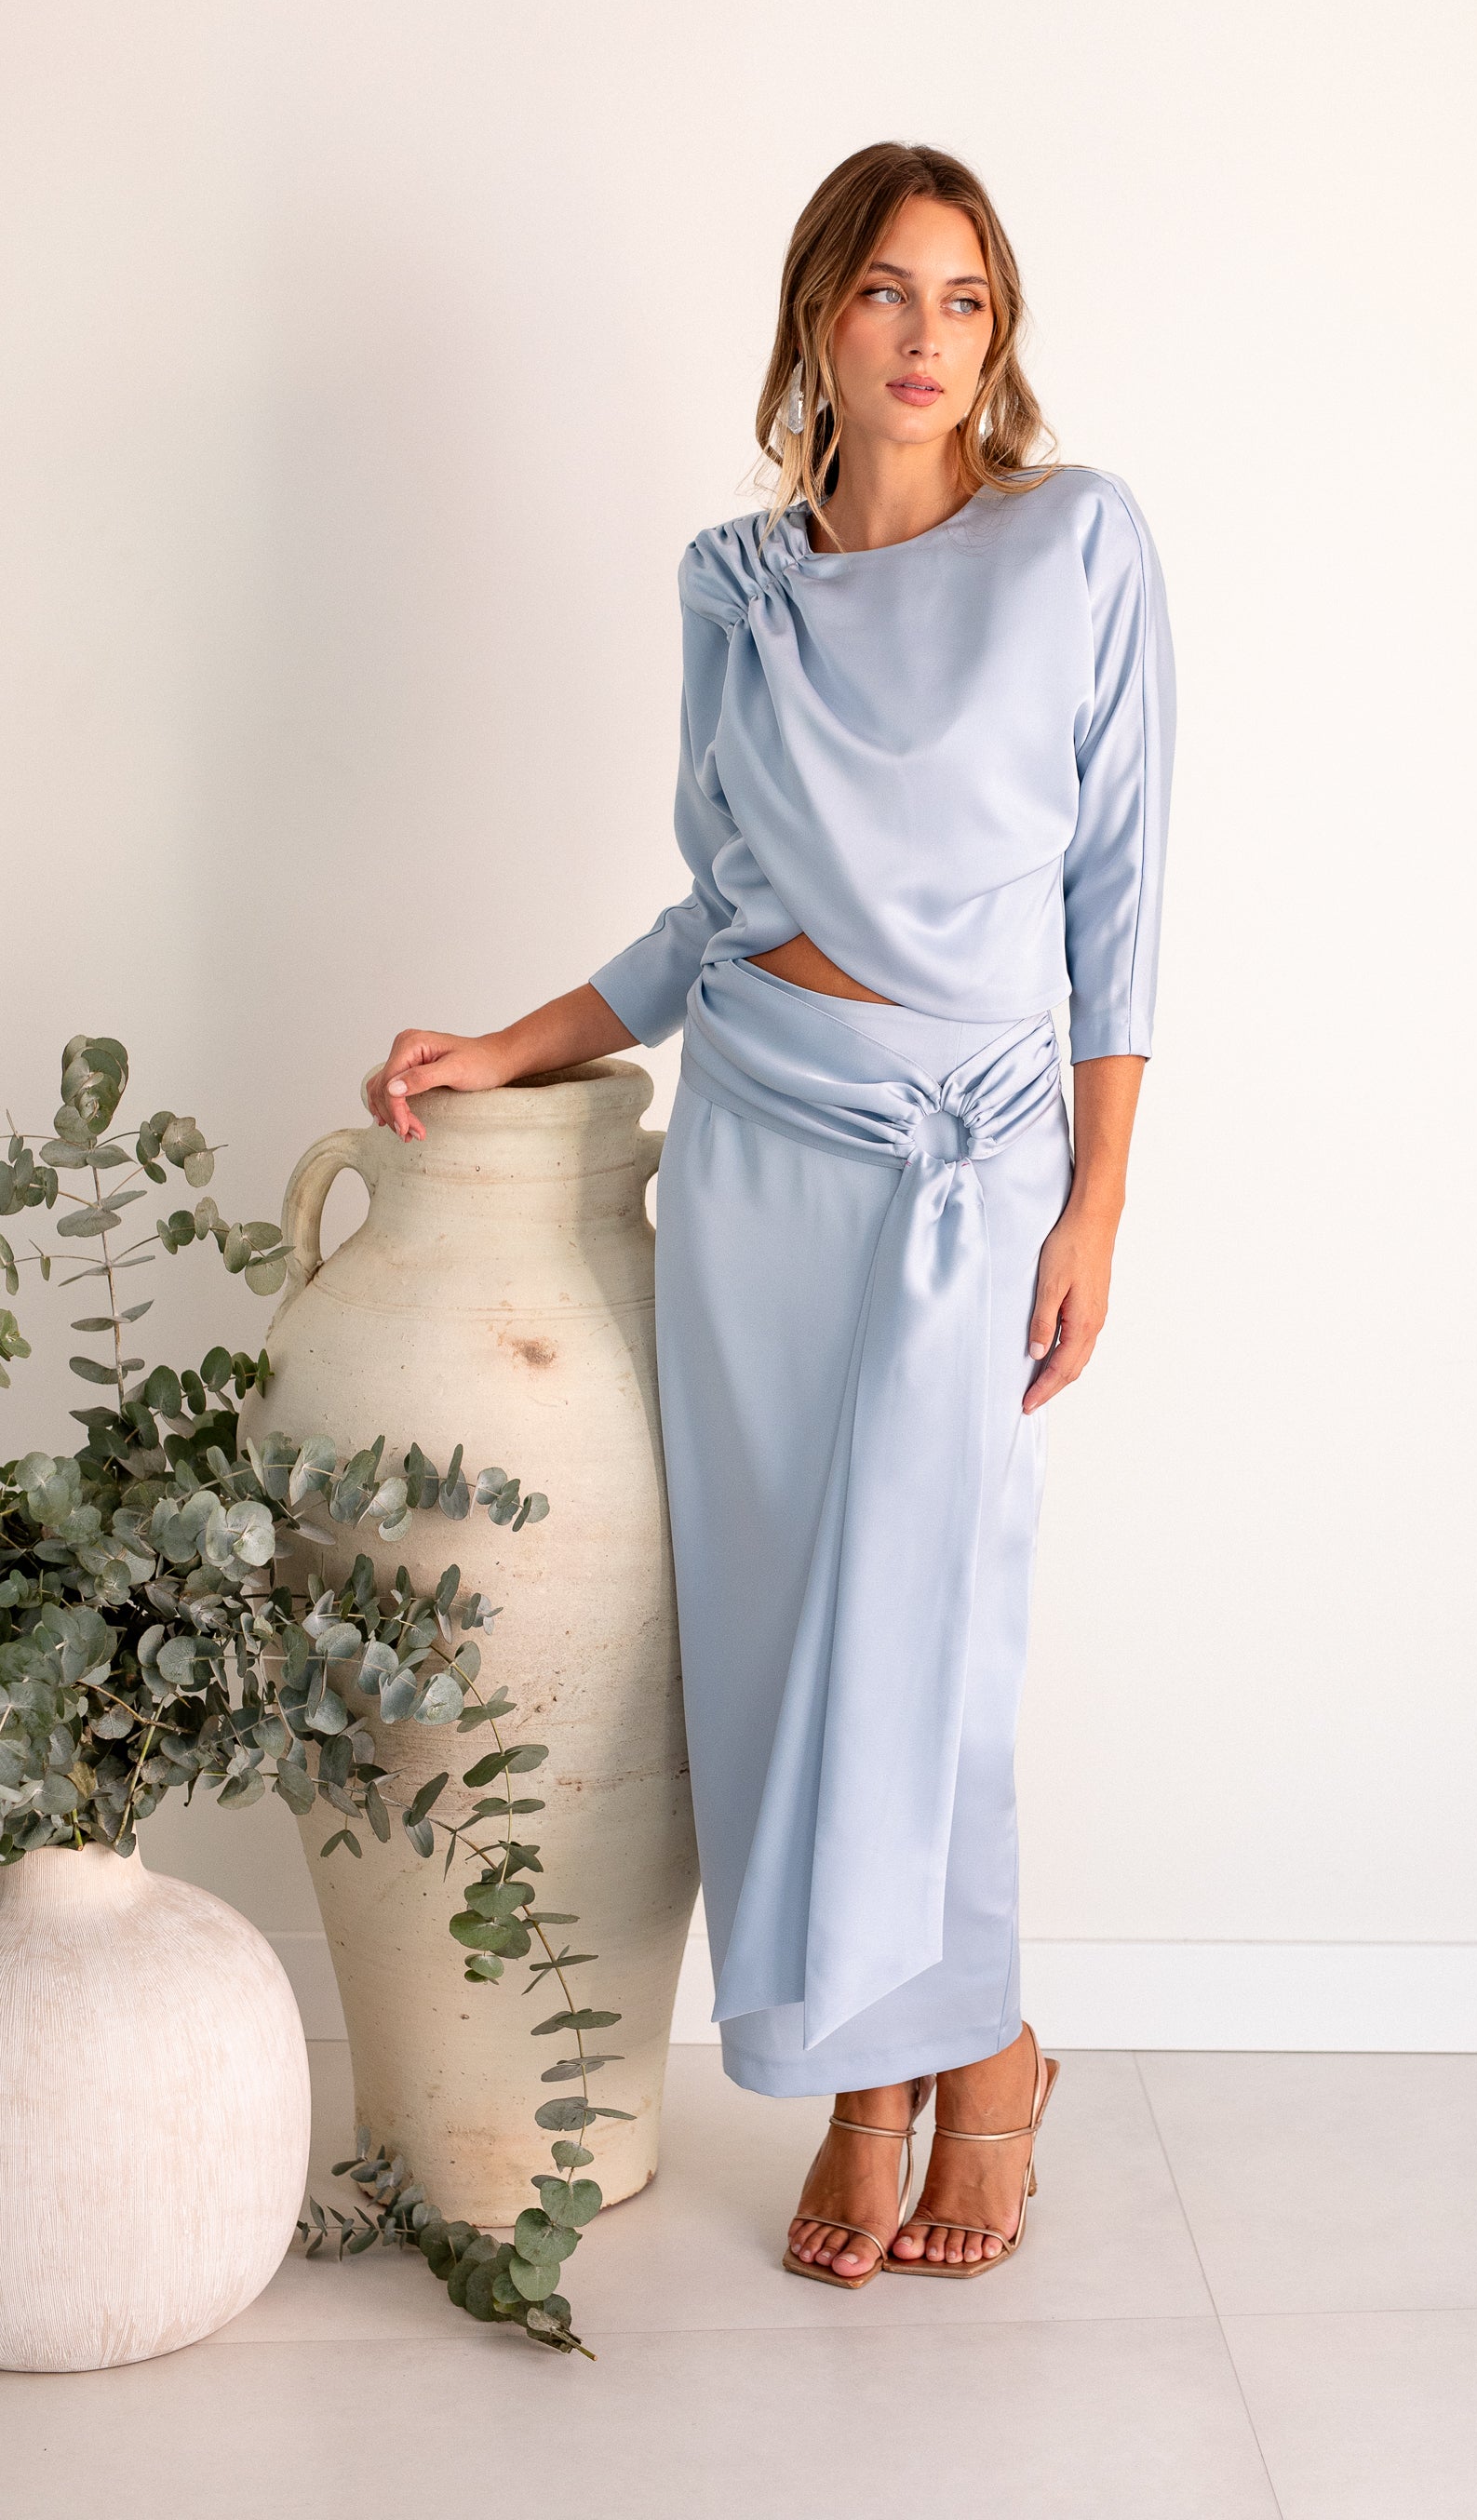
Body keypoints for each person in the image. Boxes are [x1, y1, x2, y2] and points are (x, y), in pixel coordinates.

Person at [367, 141, 1175, 2285]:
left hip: (965, 1157)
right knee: (777, 1638)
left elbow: (1116, 893)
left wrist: (1097, 1201)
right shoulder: (737, 586)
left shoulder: (1076, 543)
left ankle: (978, 2059)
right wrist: (512, 1043)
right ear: (819, 314)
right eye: (888, 291)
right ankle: (861, 2081)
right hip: (754, 1148)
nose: (927, 337)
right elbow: (711, 906)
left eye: (967, 300)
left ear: (999, 334)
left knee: (933, 1633)